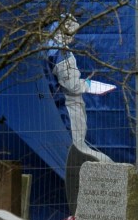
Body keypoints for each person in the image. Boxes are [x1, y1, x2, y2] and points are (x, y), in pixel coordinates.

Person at [44, 15, 110, 162]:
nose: (73, 38)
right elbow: (72, 85)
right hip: (68, 107)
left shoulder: (44, 48)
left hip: (54, 104)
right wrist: (88, 85)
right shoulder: (60, 51)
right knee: (76, 150)